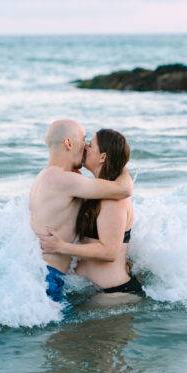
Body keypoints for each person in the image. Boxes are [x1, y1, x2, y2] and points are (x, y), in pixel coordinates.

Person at [29, 120, 133, 302]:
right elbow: (123, 189)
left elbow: (111, 246)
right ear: (69, 143)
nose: (85, 146)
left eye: (89, 144)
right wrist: (123, 167)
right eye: (84, 140)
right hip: (51, 276)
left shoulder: (51, 176)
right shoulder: (63, 180)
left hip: (54, 276)